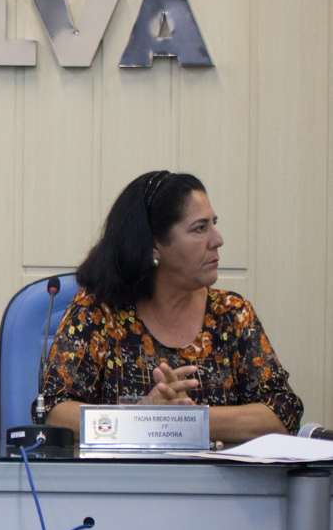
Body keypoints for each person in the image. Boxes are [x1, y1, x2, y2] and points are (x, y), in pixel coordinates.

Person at [42, 170, 300, 443]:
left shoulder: (232, 313)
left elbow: (283, 414)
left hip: (217, 472)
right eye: (200, 229)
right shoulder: (99, 311)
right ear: (155, 245)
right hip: (124, 471)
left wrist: (181, 420)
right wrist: (142, 415)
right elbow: (55, 414)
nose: (218, 239)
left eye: (213, 224)